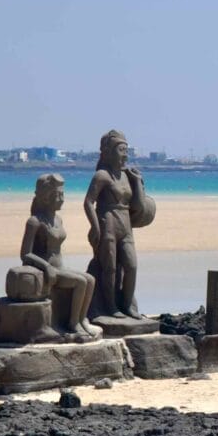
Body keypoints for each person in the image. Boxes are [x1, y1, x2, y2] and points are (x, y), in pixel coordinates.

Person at [84, 130, 153, 320]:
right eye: (121, 150)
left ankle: (127, 305)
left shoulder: (127, 176)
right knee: (110, 269)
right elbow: (88, 202)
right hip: (107, 223)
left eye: (126, 151)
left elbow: (139, 206)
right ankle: (110, 306)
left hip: (125, 224)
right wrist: (95, 226)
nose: (125, 155)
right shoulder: (102, 176)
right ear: (108, 152)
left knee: (131, 266)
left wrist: (137, 182)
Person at [21, 173, 98, 340]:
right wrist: (46, 266)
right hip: (47, 270)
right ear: (46, 197)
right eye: (58, 195)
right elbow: (25, 254)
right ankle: (72, 323)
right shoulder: (34, 221)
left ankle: (82, 319)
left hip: (60, 267)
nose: (62, 199)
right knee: (80, 282)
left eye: (63, 194)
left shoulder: (58, 219)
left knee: (90, 280)